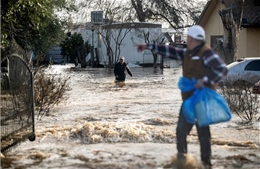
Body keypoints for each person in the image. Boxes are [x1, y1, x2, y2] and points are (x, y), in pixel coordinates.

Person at [136, 25, 228, 169]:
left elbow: (222, 69)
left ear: (195, 39)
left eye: (189, 38)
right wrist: (148, 46)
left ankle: (206, 164)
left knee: (203, 134)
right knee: (181, 131)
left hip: (202, 101)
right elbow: (170, 51)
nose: (187, 41)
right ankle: (182, 162)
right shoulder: (187, 53)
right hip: (189, 101)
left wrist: (204, 80)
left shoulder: (206, 53)